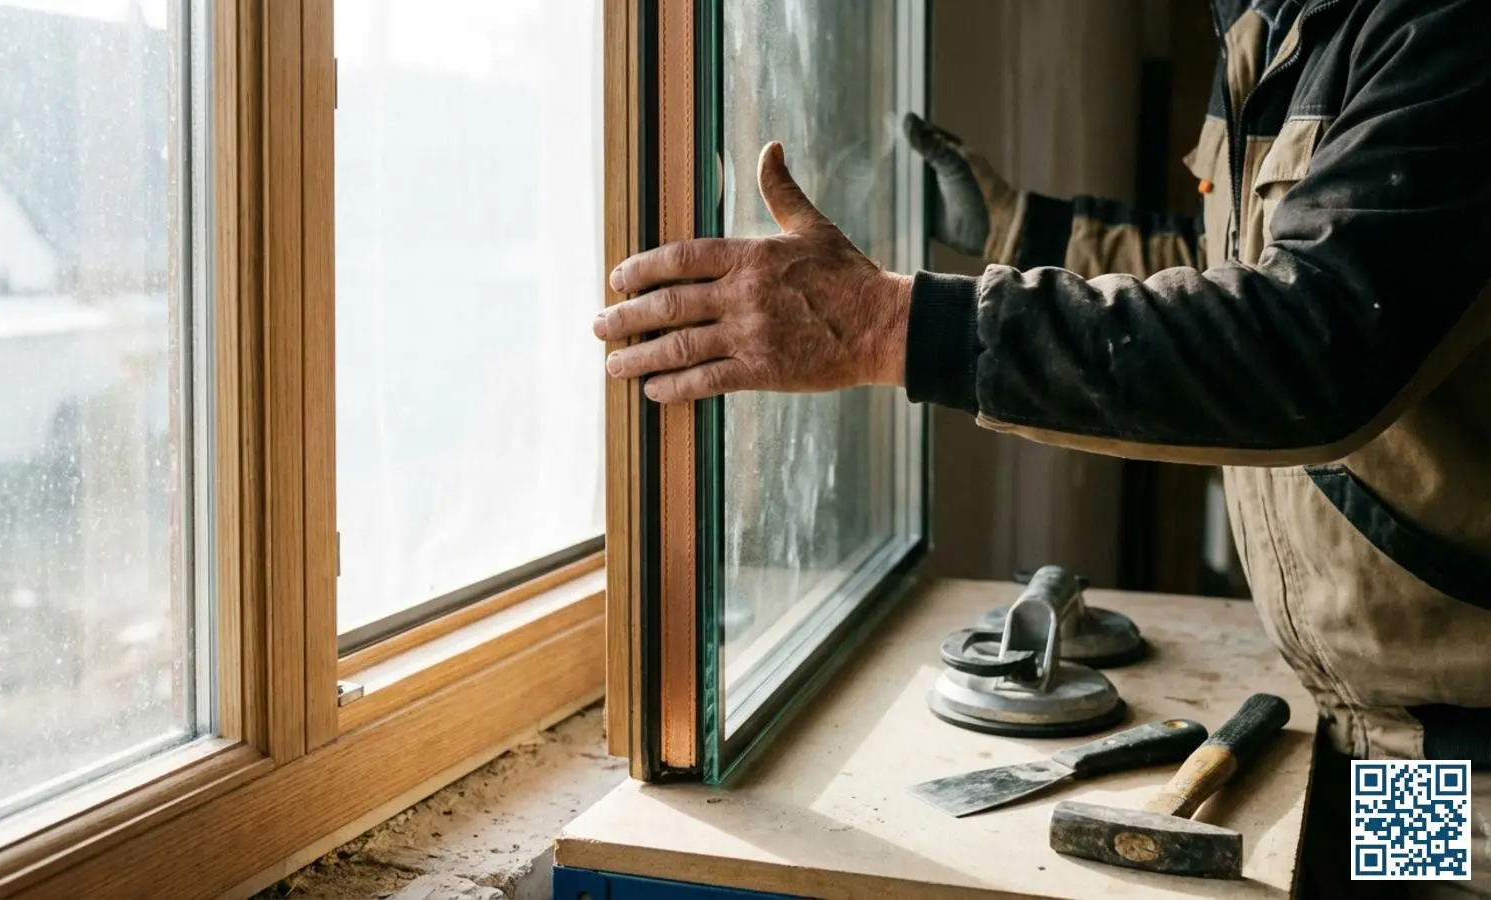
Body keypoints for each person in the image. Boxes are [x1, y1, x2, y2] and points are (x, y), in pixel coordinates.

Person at [592, 0, 1490, 895]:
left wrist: (894, 325)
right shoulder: (1270, 27)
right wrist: (1021, 227)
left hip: (1466, 749)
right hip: (1378, 725)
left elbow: (1313, 340)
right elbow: (1239, 267)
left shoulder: (1444, 27)